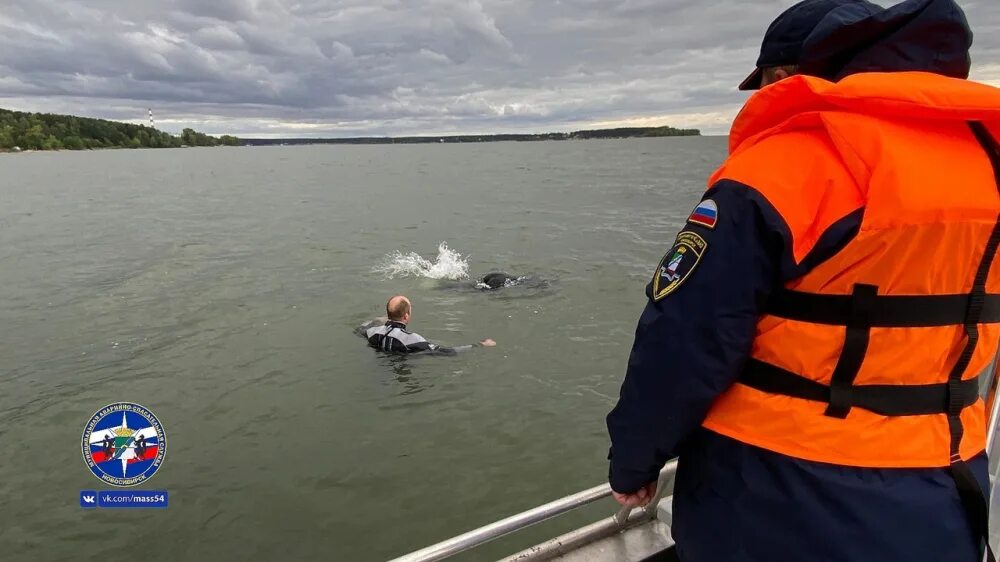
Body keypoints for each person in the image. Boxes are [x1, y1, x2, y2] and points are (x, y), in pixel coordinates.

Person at [605, 1, 1000, 561]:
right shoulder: (990, 165)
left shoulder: (784, 167)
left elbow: (685, 338)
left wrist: (634, 462)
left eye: (763, 83)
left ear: (788, 77)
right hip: (947, 487)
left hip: (780, 493)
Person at [358, 295, 496, 354]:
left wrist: (381, 321)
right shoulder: (413, 339)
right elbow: (447, 352)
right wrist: (480, 345)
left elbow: (361, 328)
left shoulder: (373, 332)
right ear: (406, 316)